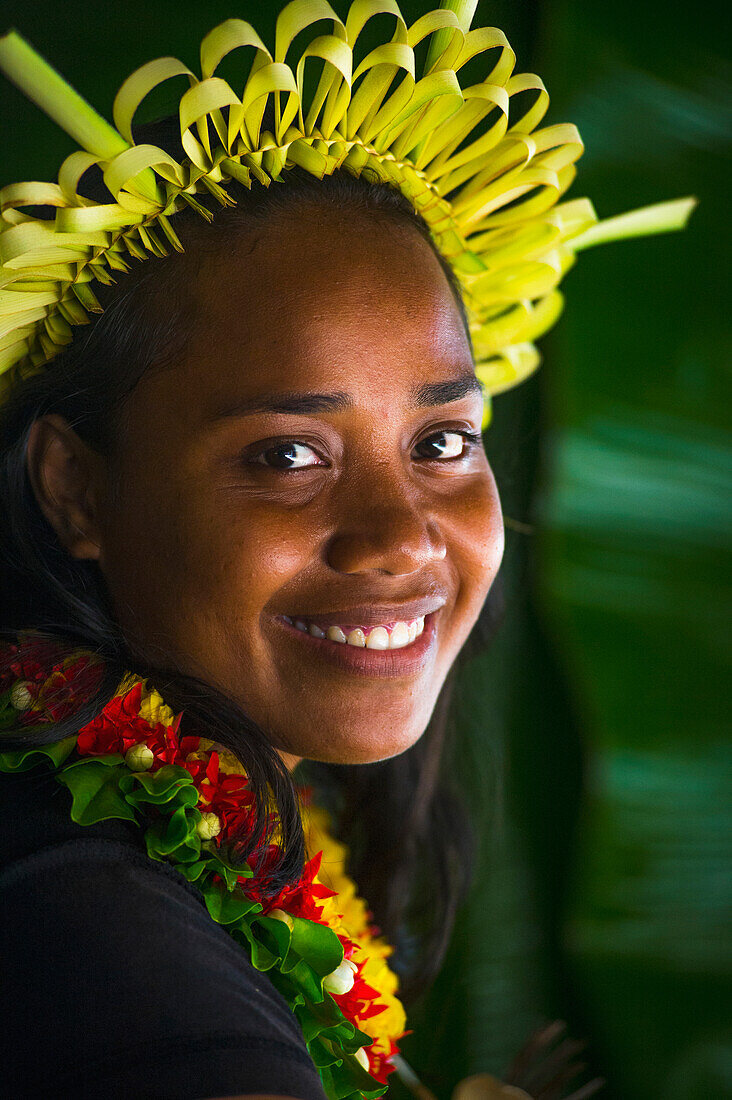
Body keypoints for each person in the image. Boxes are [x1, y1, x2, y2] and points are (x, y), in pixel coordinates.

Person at [0, 3, 694, 1098]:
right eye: (286, 454)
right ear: (75, 485)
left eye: (444, 440)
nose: (402, 534)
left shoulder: (257, 819)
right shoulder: (76, 892)